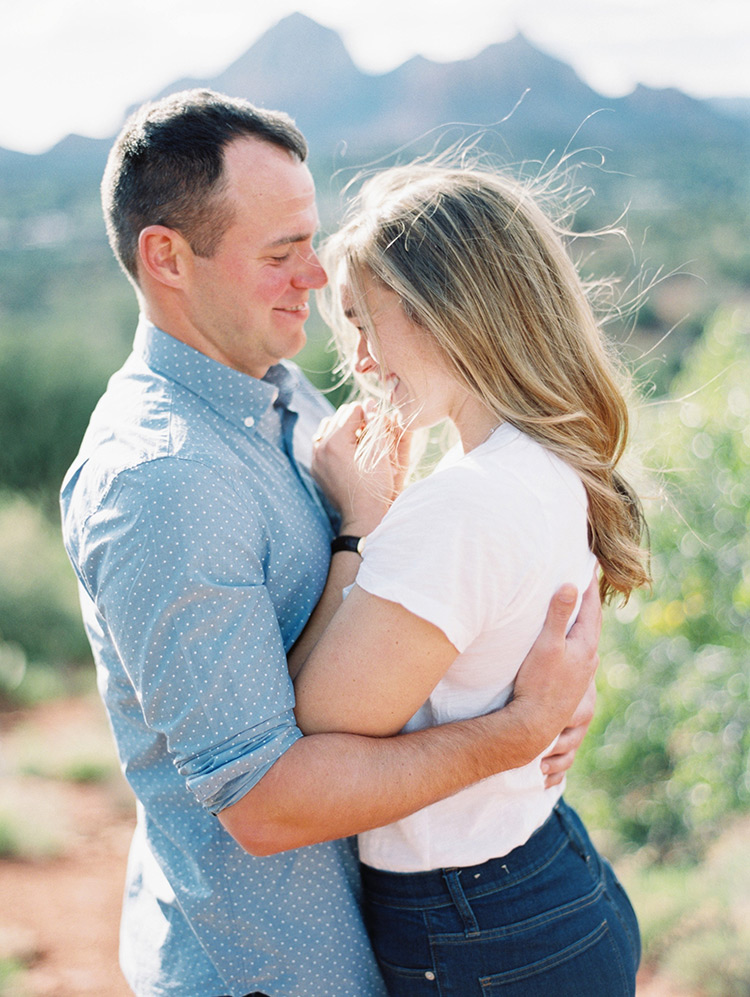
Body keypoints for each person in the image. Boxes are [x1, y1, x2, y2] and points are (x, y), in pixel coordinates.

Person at [60, 89, 600, 997]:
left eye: (310, 242)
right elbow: (267, 806)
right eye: (280, 254)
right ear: (167, 258)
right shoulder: (160, 483)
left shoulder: (287, 398)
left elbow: (404, 597)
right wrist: (516, 729)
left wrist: (523, 667)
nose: (315, 279)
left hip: (415, 933)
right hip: (277, 968)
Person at [289, 162, 650, 996]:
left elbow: (312, 731)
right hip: (547, 878)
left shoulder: (458, 506)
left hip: (479, 929)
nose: (364, 359)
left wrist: (358, 527)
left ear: (447, 310)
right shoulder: (549, 461)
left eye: (365, 321)